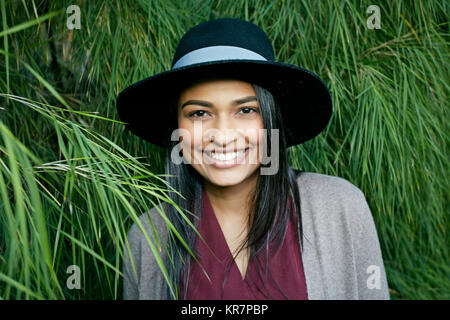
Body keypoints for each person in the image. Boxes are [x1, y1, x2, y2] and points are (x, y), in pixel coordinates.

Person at [117, 18, 390, 300]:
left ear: (272, 120)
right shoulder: (149, 237)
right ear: (177, 128)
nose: (222, 136)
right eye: (199, 113)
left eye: (246, 110)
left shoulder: (338, 207)